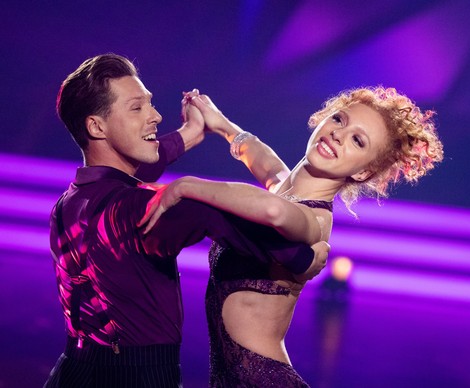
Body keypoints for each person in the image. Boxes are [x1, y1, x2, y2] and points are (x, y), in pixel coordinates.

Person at [44, 53, 328, 388]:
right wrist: (300, 258)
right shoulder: (140, 210)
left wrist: (190, 133)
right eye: (137, 107)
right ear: (96, 126)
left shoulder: (74, 199)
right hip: (138, 378)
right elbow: (209, 211)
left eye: (149, 103)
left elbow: (140, 164)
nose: (155, 115)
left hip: (71, 372)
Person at [139, 86, 444, 386]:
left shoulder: (315, 219)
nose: (338, 134)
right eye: (339, 119)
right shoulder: (287, 190)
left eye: (357, 140)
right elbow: (264, 160)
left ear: (364, 172)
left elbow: (274, 211)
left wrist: (186, 185)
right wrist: (220, 123)